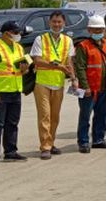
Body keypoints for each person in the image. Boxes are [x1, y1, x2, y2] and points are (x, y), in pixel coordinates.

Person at [31, 10, 76, 160]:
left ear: (64, 23)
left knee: (55, 117)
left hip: (58, 82)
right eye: (54, 22)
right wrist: (57, 66)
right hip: (42, 82)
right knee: (45, 115)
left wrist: (73, 77)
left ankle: (51, 142)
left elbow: (69, 62)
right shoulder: (40, 39)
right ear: (49, 23)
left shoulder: (68, 41)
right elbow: (37, 60)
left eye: (59, 22)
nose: (56, 25)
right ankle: (45, 147)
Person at [0, 21, 29, 167]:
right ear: (7, 33)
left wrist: (24, 69)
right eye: (16, 32)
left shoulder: (19, 48)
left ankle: (10, 151)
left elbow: (24, 70)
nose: (18, 35)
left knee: (12, 123)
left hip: (15, 90)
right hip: (0, 91)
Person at [74, 15, 106, 153]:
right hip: (89, 89)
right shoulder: (83, 46)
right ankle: (83, 142)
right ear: (89, 30)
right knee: (85, 116)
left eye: (100, 30)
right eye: (95, 30)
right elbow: (80, 67)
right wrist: (85, 86)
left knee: (102, 114)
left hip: (104, 87)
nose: (98, 32)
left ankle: (98, 139)